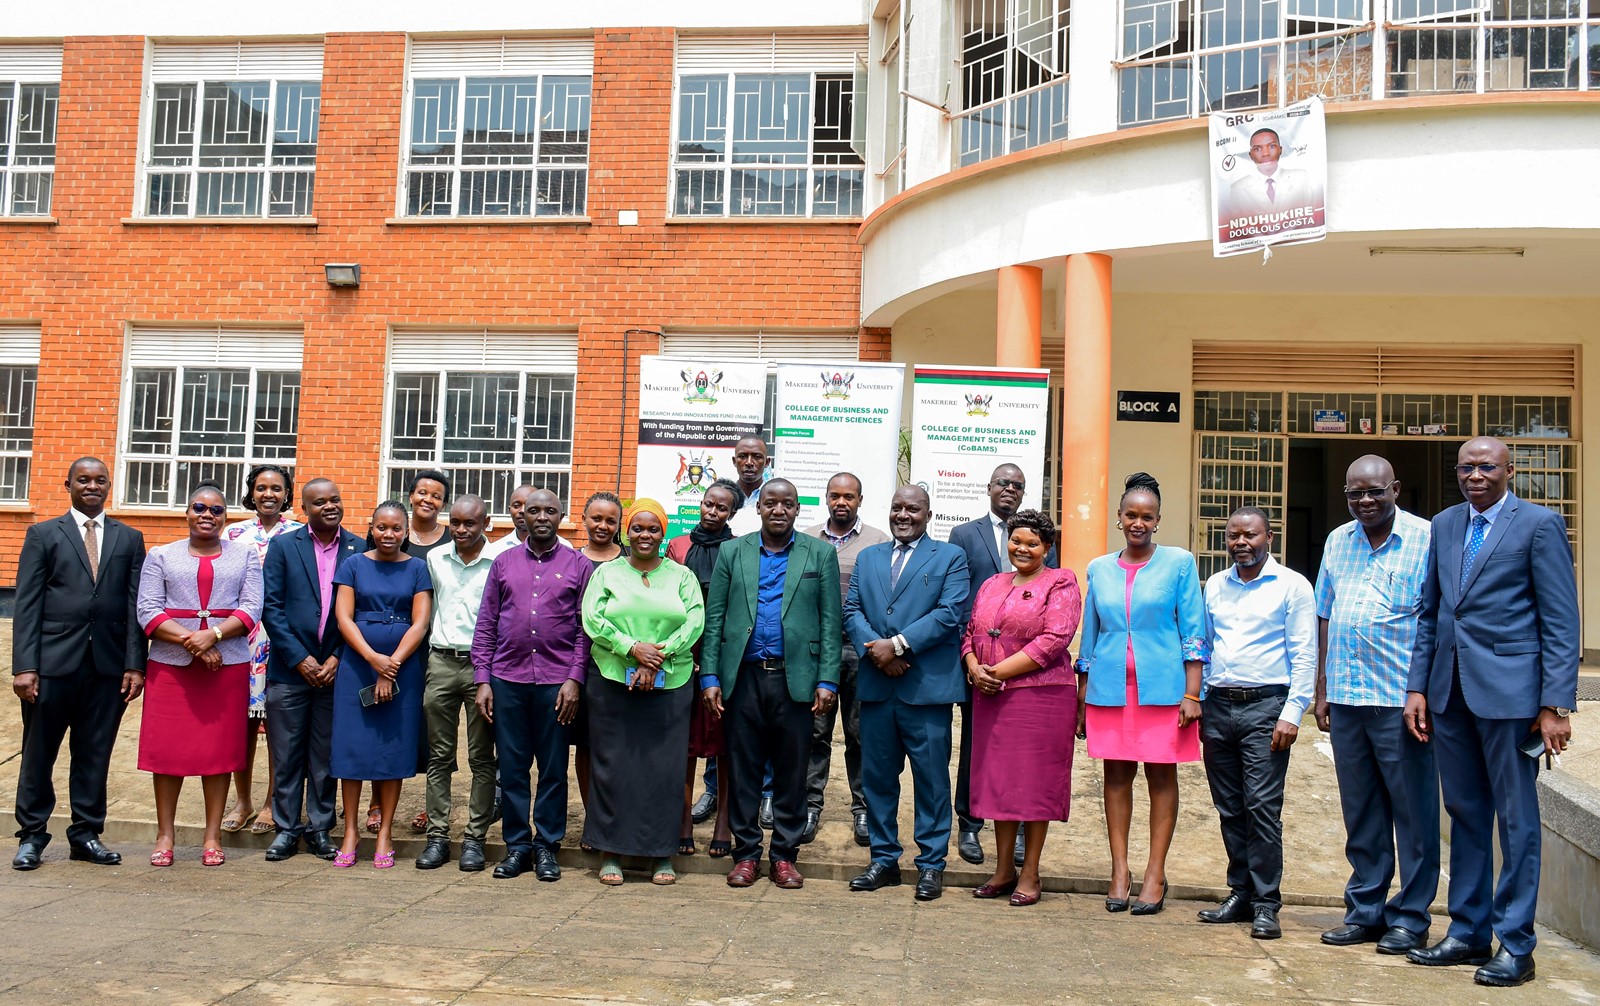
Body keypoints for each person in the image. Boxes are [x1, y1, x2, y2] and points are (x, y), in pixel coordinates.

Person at [1402, 437, 1579, 987]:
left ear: (1508, 470)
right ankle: (1467, 932)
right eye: (1466, 467)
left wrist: (1555, 704)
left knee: (1517, 821)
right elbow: (1430, 612)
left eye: (1486, 466)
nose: (1475, 475)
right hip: (1449, 694)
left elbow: (1561, 618)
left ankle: (1516, 946)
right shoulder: (1445, 524)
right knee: (1465, 813)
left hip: (1512, 698)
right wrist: (1417, 687)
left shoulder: (1538, 525)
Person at [1313, 456, 1439, 956]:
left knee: (1413, 814)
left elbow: (1434, 621)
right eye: (1354, 494)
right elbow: (1325, 614)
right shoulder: (1337, 541)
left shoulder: (1426, 539)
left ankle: (1410, 917)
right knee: (1361, 812)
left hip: (1399, 703)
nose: (1364, 501)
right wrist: (1322, 689)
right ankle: (1365, 911)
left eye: (1374, 492)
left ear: (1396, 489)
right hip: (1346, 698)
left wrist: (1421, 690)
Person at [701, 478, 842, 890]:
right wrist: (710, 676)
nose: (779, 510)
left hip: (795, 679)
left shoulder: (819, 554)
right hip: (742, 678)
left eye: (788, 504)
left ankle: (784, 855)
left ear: (798, 510)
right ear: (758, 508)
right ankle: (746, 855)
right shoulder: (732, 551)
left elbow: (830, 623)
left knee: (791, 770)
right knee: (742, 769)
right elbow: (716, 619)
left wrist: (828, 679)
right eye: (771, 503)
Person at [1076, 473, 1204, 916]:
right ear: (1118, 518)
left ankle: (1154, 873)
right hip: (1111, 689)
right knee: (1115, 777)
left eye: (1146, 516)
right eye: (1131, 514)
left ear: (1157, 520)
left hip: (1165, 692)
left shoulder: (1180, 563)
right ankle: (1119, 870)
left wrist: (1194, 693)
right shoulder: (1098, 568)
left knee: (1162, 778)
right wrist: (1082, 695)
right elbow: (1089, 637)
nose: (1138, 522)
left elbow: (1194, 631)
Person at [12, 457, 148, 871]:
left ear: (109, 486)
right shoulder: (43, 534)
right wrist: (24, 665)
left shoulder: (129, 538)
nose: (92, 486)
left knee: (94, 753)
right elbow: (28, 603)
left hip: (107, 668)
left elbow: (133, 605)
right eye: (83, 480)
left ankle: (86, 833)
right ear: (67, 483)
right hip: (51, 665)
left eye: (100, 480)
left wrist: (134, 664)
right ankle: (32, 835)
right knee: (39, 752)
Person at [845, 485, 970, 902]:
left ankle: (931, 865)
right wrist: (880, 654)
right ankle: (884, 860)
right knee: (878, 780)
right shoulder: (869, 556)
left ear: (927, 514)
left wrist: (896, 645)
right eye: (897, 507)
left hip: (926, 691)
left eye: (912, 508)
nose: (903, 514)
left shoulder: (949, 557)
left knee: (932, 781)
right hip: (879, 689)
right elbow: (852, 611)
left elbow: (950, 613)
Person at [1196, 506, 1315, 940]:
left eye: (1250, 534)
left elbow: (1305, 653)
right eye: (1233, 535)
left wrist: (1293, 712)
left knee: (1262, 808)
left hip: (1267, 709)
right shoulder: (1215, 587)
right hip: (1219, 707)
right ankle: (1240, 894)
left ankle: (1267, 903)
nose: (1241, 542)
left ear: (1269, 537)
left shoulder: (1293, 586)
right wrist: (1200, 697)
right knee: (1229, 807)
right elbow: (1206, 645)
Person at [136, 483, 265, 867]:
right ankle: (165, 833)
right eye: (199, 507)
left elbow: (251, 607)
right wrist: (195, 641)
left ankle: (212, 836)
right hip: (171, 667)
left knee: (218, 752)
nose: (207, 515)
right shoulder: (161, 555)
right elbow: (148, 610)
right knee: (168, 753)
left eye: (216, 510)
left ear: (226, 518)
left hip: (227, 666)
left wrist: (216, 635)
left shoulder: (245, 557)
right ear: (187, 513)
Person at [580, 498, 705, 886]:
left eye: (653, 529)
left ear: (662, 532)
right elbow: (592, 619)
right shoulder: (606, 574)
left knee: (663, 769)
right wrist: (633, 650)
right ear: (626, 531)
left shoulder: (681, 576)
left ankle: (659, 854)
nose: (645, 535)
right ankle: (611, 852)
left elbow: (695, 621)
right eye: (637, 528)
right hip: (614, 679)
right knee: (613, 766)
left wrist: (657, 657)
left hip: (671, 682)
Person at [961, 509, 1080, 907]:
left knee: (1033, 784)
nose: (1022, 548)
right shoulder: (992, 583)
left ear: (1047, 547)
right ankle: (1002, 870)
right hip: (991, 694)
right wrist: (974, 667)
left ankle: (1030, 872)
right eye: (1016, 540)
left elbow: (1055, 639)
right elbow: (970, 632)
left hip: (1040, 698)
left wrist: (997, 671)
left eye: (1032, 543)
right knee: (999, 782)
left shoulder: (1060, 581)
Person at [473, 488, 594, 882]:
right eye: (534, 509)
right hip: (507, 680)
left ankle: (546, 846)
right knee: (511, 768)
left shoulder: (578, 565)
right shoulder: (503, 562)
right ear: (521, 514)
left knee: (554, 768)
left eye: (551, 511)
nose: (541, 516)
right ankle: (518, 846)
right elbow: (486, 624)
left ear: (561, 517)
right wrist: (482, 679)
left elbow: (584, 631)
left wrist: (575, 678)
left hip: (557, 685)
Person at [948, 463, 1056, 867]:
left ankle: (1019, 828)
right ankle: (971, 823)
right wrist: (971, 658)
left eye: (1018, 485)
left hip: (1028, 668)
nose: (1009, 489)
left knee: (1022, 752)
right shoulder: (963, 534)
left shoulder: (1042, 540)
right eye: (1003, 483)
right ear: (989, 487)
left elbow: (1048, 591)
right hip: (979, 665)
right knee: (977, 744)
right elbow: (958, 597)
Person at [260, 478, 361, 862]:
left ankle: (320, 828)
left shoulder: (358, 549)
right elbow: (271, 606)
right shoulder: (284, 546)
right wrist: (300, 658)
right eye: (320, 502)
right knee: (286, 753)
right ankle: (287, 829)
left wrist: (336, 657)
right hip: (290, 671)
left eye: (335, 499)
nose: (330, 506)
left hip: (337, 671)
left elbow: (359, 612)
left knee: (325, 755)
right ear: (304, 509)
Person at [330, 501, 434, 868]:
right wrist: (374, 660)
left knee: (393, 751)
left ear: (406, 532)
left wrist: (392, 667)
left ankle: (386, 831)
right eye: (381, 527)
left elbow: (420, 624)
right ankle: (352, 831)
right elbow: (343, 617)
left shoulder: (419, 568)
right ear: (370, 528)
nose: (388, 534)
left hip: (404, 668)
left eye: (396, 528)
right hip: (357, 665)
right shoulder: (353, 564)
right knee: (352, 749)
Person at [362, 470, 450, 836]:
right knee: (383, 722)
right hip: (387, 646)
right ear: (410, 496)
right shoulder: (391, 531)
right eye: (422, 492)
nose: (428, 499)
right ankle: (376, 802)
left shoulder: (453, 538)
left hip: (434, 644)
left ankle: (432, 808)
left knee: (431, 731)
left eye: (436, 495)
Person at [802, 472, 889, 847]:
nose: (842, 502)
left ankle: (863, 809)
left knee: (859, 733)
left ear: (860, 500)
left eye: (849, 496)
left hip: (859, 649)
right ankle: (808, 806)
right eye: (835, 495)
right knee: (814, 733)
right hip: (816, 649)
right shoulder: (804, 538)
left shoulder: (878, 542)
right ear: (825, 498)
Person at [415, 495, 498, 872]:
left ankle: (475, 839)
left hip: (483, 667)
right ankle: (437, 837)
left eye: (471, 524)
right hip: (442, 661)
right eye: (456, 523)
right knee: (439, 756)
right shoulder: (435, 559)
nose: (462, 530)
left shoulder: (499, 561)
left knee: (481, 757)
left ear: (486, 524)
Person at [665, 478, 745, 858]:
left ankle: (723, 822)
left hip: (726, 656)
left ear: (733, 513)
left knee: (725, 742)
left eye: (722, 507)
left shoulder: (740, 550)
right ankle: (682, 819)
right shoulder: (677, 546)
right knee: (685, 742)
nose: (713, 511)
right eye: (708, 504)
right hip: (683, 655)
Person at [222, 463, 302, 837]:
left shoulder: (300, 533)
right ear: (251, 492)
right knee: (242, 724)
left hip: (283, 638)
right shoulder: (233, 533)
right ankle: (243, 801)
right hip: (240, 637)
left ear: (287, 494)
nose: (268, 494)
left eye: (276, 488)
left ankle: (272, 802)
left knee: (279, 728)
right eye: (261, 487)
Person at [574, 490, 627, 834]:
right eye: (596, 518)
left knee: (621, 744)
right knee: (587, 744)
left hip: (624, 665)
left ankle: (620, 816)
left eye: (611, 520)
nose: (603, 526)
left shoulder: (631, 559)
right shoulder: (570, 560)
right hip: (580, 665)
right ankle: (593, 816)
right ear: (584, 519)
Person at [1226, 127, 1320, 220]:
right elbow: (1236, 228)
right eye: (1257, 149)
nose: (1265, 153)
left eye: (1272, 146)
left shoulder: (1301, 177)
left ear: (1280, 150)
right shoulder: (1238, 188)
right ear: (1250, 155)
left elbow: (1312, 217)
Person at [726, 435, 769, 536]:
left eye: (757, 457)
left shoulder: (775, 498)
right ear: (734, 461)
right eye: (742, 456)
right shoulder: (724, 497)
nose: (749, 462)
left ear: (767, 462)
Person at [485, 483, 535, 557]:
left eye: (529, 505)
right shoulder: (496, 551)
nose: (522, 510)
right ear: (510, 510)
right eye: (516, 506)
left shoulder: (557, 547)